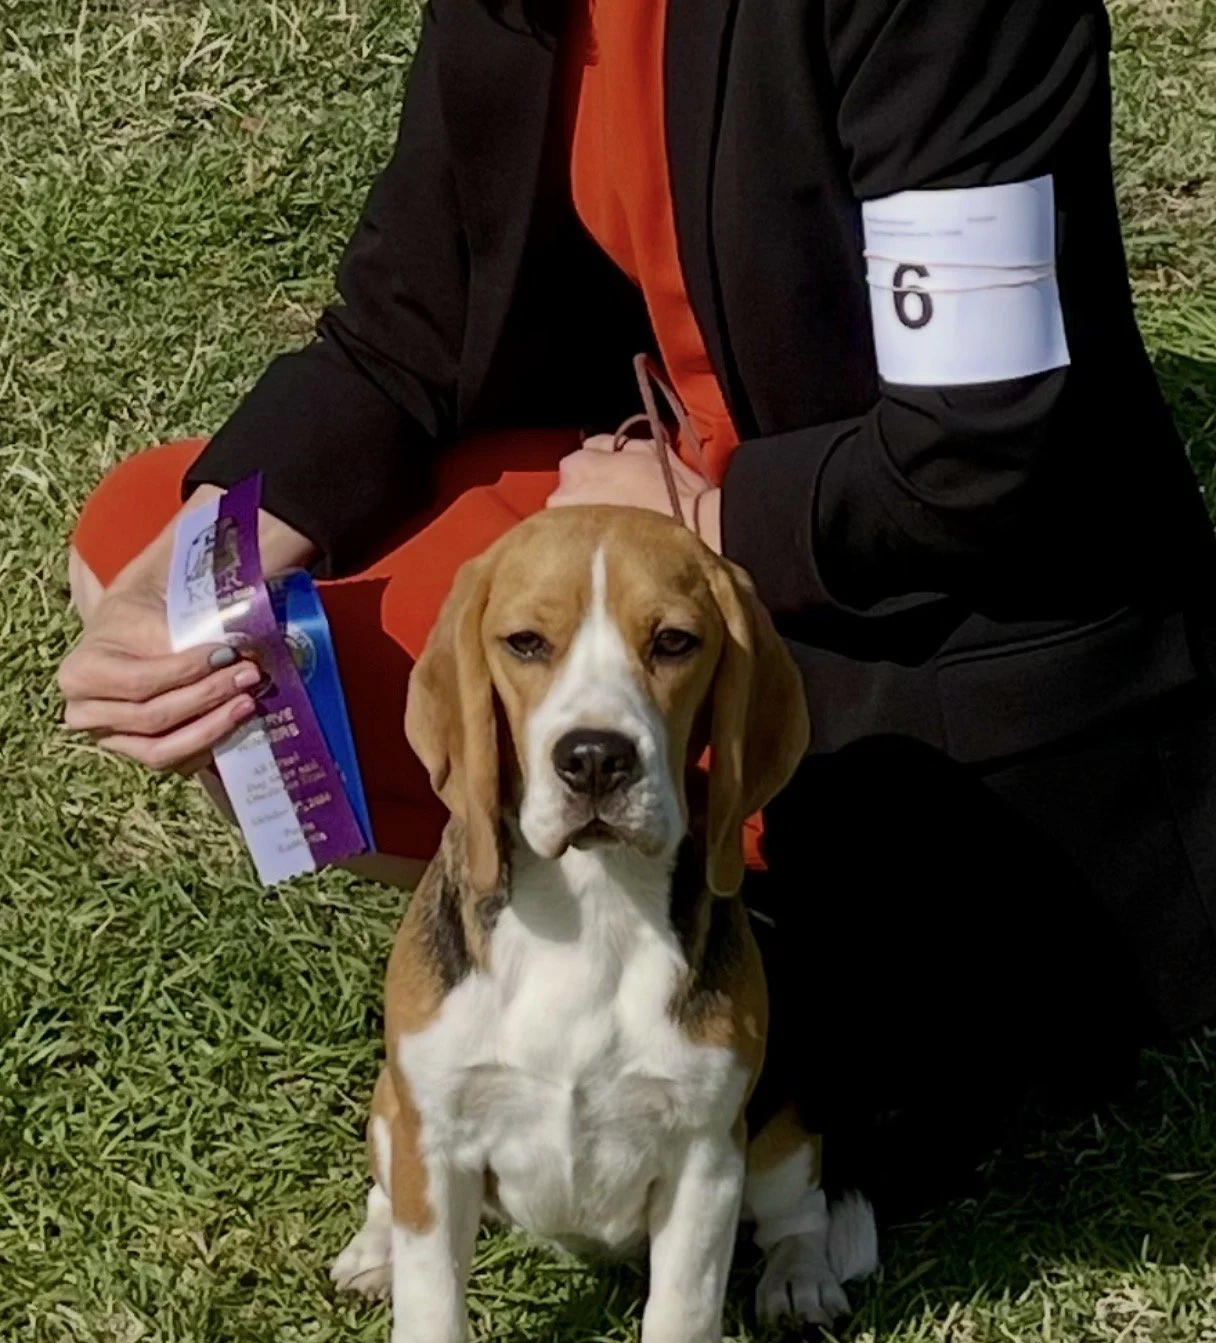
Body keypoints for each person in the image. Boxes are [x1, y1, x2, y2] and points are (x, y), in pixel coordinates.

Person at [58, 0, 1216, 1216]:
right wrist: (186, 582)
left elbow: (973, 449)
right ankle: (611, 930)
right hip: (661, 522)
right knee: (153, 540)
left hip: (914, 608)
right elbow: (408, 321)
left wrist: (706, 526)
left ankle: (755, 945)